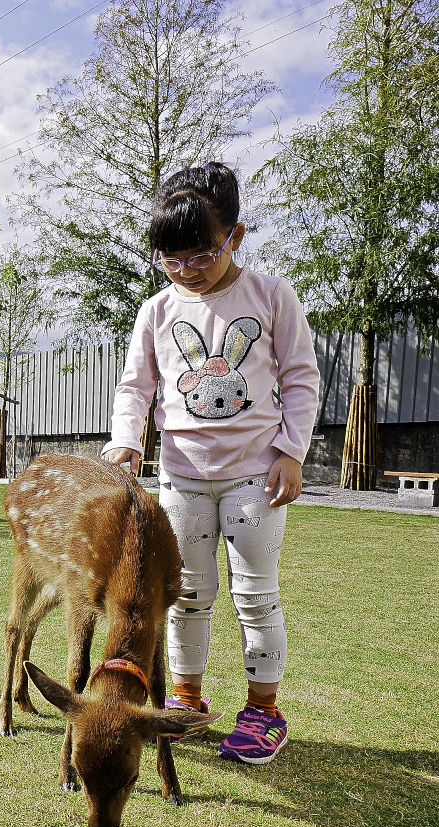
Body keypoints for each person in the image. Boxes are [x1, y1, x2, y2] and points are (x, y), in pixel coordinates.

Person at [101, 162, 320, 766]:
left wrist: (291, 451)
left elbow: (301, 379)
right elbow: (135, 387)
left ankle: (263, 712)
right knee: (186, 595)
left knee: (255, 596)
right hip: (181, 479)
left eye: (199, 255)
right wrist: (126, 441)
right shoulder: (156, 310)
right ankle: (187, 699)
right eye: (170, 258)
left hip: (257, 476)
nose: (186, 271)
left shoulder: (272, 296)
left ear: (236, 236)